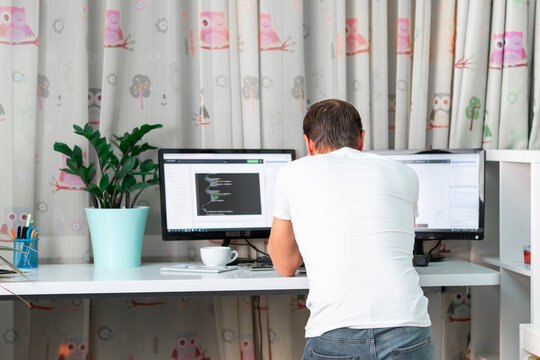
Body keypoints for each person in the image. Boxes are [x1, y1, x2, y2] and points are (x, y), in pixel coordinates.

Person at [268, 99, 433, 359]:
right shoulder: (405, 173)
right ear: (361, 139)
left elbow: (285, 265)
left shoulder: (293, 173)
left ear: (308, 143)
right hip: (407, 326)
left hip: (335, 328)